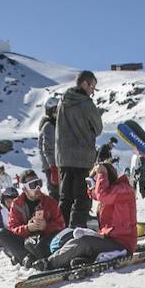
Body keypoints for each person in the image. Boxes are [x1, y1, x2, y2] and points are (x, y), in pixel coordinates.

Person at [42, 161, 136, 271]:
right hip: (110, 240)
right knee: (75, 236)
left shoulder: (124, 190)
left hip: (122, 245)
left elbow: (102, 194)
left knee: (84, 242)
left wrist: (101, 172)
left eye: (93, 183)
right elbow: (97, 195)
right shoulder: (110, 194)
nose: (91, 187)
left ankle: (49, 263)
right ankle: (84, 259)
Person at [56, 70, 103, 229]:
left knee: (65, 199)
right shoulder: (86, 103)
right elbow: (98, 128)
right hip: (83, 158)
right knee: (82, 198)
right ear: (85, 84)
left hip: (64, 158)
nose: (92, 92)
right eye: (92, 87)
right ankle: (76, 233)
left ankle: (60, 234)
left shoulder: (62, 102)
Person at [0, 170, 65, 267]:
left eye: (39, 183)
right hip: (24, 240)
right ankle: (26, 258)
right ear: (24, 189)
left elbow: (61, 226)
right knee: (1, 234)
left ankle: (21, 257)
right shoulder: (16, 204)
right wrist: (28, 228)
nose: (37, 188)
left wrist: (46, 226)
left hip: (44, 240)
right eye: (33, 185)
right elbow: (13, 228)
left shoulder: (50, 202)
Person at [39, 94, 60, 195]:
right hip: (52, 166)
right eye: (56, 110)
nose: (59, 112)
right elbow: (47, 149)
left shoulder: (54, 124)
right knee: (55, 193)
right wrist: (53, 167)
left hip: (56, 164)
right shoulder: (49, 126)